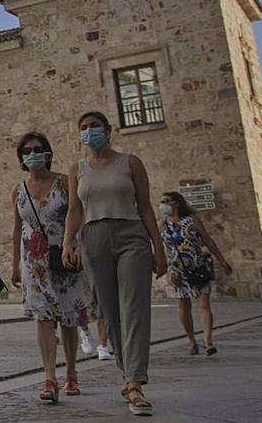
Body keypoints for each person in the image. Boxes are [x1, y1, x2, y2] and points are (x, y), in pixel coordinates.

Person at [63, 111, 166, 417]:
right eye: (83, 128)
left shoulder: (130, 162)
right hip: (93, 237)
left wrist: (158, 247)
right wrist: (68, 241)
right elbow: (74, 210)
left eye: (94, 126)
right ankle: (127, 373)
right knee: (109, 312)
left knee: (134, 306)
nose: (89, 131)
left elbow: (146, 206)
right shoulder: (77, 169)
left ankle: (135, 382)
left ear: (108, 130)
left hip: (131, 233)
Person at [10, 132, 96, 403]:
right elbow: (16, 229)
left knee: (69, 318)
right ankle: (50, 378)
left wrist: (75, 246)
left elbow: (77, 214)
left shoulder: (63, 182)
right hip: (34, 262)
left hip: (64, 255)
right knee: (43, 318)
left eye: (37, 149)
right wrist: (15, 265)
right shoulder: (19, 190)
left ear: (47, 152)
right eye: (27, 150)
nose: (32, 154)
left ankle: (71, 372)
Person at [160, 191, 232, 355]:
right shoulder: (162, 224)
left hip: (197, 267)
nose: (162, 204)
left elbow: (207, 240)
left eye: (165, 201)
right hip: (177, 272)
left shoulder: (192, 220)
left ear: (176, 203)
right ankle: (192, 340)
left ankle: (208, 341)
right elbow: (157, 244)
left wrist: (222, 260)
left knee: (203, 305)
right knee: (184, 307)